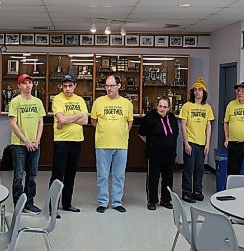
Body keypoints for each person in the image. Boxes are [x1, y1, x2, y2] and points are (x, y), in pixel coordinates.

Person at [91, 75, 133, 213]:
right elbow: (94, 121)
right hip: (103, 144)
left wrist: (120, 133)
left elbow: (129, 122)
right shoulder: (98, 102)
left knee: (119, 175)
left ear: (119, 86)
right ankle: (102, 202)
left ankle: (116, 202)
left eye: (111, 86)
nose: (108, 88)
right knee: (102, 175)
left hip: (121, 145)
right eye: (107, 86)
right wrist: (105, 131)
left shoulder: (127, 104)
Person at [49, 75, 88, 214]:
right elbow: (62, 119)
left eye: (70, 85)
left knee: (70, 175)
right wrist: (77, 115)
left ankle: (67, 204)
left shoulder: (80, 100)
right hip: (61, 141)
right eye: (65, 86)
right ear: (62, 86)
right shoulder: (58, 99)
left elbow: (85, 121)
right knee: (58, 175)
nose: (67, 88)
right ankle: (52, 207)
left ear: (75, 86)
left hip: (76, 141)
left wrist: (67, 119)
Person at [9, 74, 46, 214]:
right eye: (24, 83)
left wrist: (37, 140)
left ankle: (29, 203)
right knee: (18, 176)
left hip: (35, 145)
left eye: (30, 82)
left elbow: (41, 122)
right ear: (19, 86)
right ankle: (18, 205)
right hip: (19, 145)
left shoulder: (38, 102)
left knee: (32, 176)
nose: (28, 85)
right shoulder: (15, 102)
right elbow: (13, 123)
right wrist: (25, 140)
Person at [138, 96, 179, 210]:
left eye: (165, 107)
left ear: (169, 108)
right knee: (153, 178)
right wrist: (150, 143)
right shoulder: (150, 117)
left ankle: (166, 200)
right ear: (156, 106)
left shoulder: (172, 118)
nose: (162, 109)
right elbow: (141, 133)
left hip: (170, 154)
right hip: (154, 154)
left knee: (168, 179)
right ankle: (152, 201)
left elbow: (175, 133)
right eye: (160, 106)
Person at [179, 77, 214, 203]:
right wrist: (186, 143)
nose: (197, 92)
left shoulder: (207, 108)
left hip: (202, 143)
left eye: (200, 90)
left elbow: (208, 126)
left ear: (204, 93)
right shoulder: (187, 106)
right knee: (189, 169)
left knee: (199, 169)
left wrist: (207, 144)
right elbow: (183, 125)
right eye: (195, 90)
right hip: (191, 142)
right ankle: (186, 192)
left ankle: (197, 191)